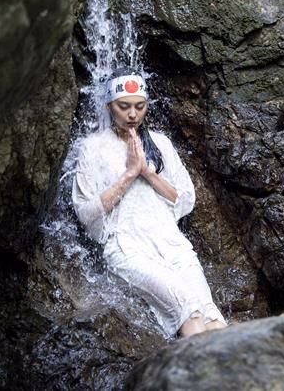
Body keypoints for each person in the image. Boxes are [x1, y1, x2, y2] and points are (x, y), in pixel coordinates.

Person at [72, 67, 227, 338]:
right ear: (109, 106)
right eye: (124, 106)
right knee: (188, 309)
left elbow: (186, 198)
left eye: (139, 106)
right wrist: (129, 174)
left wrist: (148, 173)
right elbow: (85, 212)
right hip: (128, 248)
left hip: (172, 243)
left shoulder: (160, 143)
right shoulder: (92, 148)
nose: (133, 114)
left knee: (210, 313)